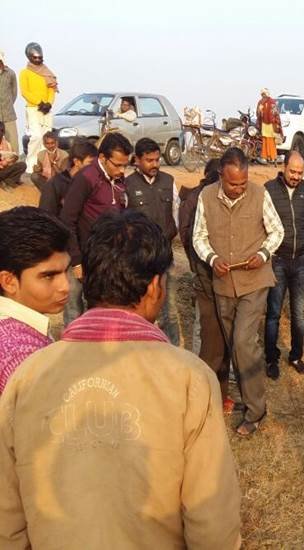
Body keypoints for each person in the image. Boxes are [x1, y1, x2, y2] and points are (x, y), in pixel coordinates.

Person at [0, 211, 242, 548]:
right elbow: (212, 520)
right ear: (156, 286)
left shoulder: (27, 376)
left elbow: (7, 518)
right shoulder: (190, 378)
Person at [193, 147, 284, 436]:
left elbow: (277, 231)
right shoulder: (206, 197)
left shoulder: (259, 195)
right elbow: (198, 236)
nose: (238, 189)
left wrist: (264, 253)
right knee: (232, 346)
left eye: (242, 183)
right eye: (233, 184)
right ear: (221, 176)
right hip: (222, 283)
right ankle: (238, 399)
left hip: (255, 281)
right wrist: (211, 258)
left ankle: (256, 411)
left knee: (245, 343)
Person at [179, 158, 233, 413]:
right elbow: (189, 236)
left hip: (223, 275)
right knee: (206, 332)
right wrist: (199, 265)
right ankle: (200, 384)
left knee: (221, 335)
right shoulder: (197, 199)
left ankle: (219, 392)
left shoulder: (220, 197)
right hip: (205, 274)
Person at [60, 132, 131, 326]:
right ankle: (72, 354)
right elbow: (67, 220)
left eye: (125, 164)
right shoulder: (86, 178)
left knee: (99, 311)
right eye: (117, 164)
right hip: (82, 257)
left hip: (107, 258)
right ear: (102, 158)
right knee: (74, 311)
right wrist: (76, 261)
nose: (122, 170)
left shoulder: (119, 180)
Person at [0, 207, 70, 395]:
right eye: (49, 276)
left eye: (65, 271)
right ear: (9, 281)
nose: (65, 286)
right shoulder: (20, 355)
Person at [125, 138, 181, 345]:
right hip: (138, 261)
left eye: (157, 160)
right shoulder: (127, 185)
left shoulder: (169, 181)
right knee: (139, 310)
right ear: (137, 160)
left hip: (165, 259)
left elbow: (175, 214)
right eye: (149, 160)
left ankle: (172, 353)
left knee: (170, 311)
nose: (155, 165)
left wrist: (169, 236)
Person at [264, 150, 304, 378]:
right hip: (278, 261)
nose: (296, 176)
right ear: (283, 167)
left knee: (299, 314)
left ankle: (296, 356)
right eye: (292, 171)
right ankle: (271, 359)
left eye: (299, 173)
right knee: (273, 312)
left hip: (301, 261)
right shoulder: (269, 190)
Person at [19, 42, 58, 172]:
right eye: (35, 58)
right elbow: (25, 92)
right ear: (29, 57)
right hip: (33, 108)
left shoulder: (47, 72)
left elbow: (52, 90)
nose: (37, 60)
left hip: (47, 109)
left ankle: (43, 166)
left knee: (46, 138)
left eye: (39, 58)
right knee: (35, 136)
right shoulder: (24, 73)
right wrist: (39, 103)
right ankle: (30, 165)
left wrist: (49, 104)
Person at [38, 139, 97, 216]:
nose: (95, 167)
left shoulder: (92, 182)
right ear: (77, 162)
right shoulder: (54, 185)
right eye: (91, 163)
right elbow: (45, 217)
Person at [256, 88, 282, 164]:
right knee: (264, 140)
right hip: (263, 123)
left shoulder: (272, 102)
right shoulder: (260, 102)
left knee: (271, 140)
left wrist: (276, 124)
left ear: (267, 94)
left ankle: (273, 157)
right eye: (262, 94)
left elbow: (275, 113)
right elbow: (258, 114)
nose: (263, 95)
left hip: (271, 124)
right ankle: (264, 157)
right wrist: (260, 111)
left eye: (264, 94)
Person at [0, 51, 18, 154]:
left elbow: (14, 92)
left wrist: (8, 104)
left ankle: (14, 165)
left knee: (13, 142)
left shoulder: (10, 73)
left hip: (9, 114)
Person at [0, 121, 26, 189]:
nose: (0, 133)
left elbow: (12, 158)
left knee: (22, 165)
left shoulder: (7, 144)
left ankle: (8, 181)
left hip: (5, 170)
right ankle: (9, 181)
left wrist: (8, 161)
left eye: (1, 131)